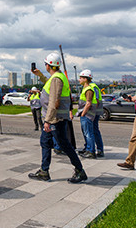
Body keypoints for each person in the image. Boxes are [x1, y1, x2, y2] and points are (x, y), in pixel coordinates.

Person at [28, 52, 87, 183]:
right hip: (55, 118)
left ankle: (80, 170)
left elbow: (54, 101)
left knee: (64, 144)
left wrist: (48, 121)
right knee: (45, 142)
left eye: (46, 64)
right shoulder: (58, 77)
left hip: (56, 119)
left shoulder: (56, 79)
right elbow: (50, 84)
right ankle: (44, 171)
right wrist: (40, 76)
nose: (45, 66)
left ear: (49, 66)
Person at [75, 70, 104, 159]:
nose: (79, 79)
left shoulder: (92, 87)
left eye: (80, 78)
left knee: (92, 132)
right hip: (91, 113)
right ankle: (89, 148)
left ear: (85, 79)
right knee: (90, 131)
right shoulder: (88, 87)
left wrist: (84, 113)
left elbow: (95, 101)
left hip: (91, 113)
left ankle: (95, 150)